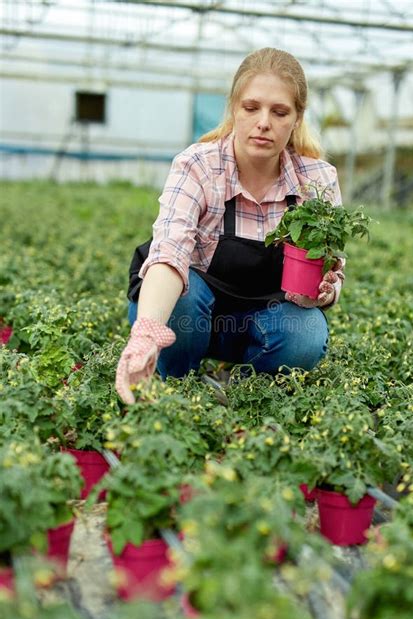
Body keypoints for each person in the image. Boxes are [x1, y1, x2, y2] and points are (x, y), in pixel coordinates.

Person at [115, 47, 345, 405]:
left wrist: (324, 290)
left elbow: (333, 272)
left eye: (279, 112)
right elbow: (169, 252)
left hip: (258, 323)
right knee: (182, 297)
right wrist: (145, 335)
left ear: (297, 118)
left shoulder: (316, 180)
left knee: (306, 333)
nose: (263, 122)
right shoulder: (199, 166)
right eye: (251, 108)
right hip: (191, 321)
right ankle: (179, 380)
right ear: (234, 108)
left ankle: (243, 386)